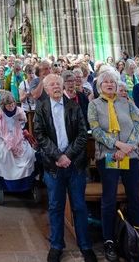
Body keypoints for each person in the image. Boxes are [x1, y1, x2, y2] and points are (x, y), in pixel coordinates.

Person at [34, 74, 96, 262]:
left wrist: (67, 156)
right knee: (55, 206)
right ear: (45, 89)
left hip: (75, 164)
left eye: (58, 83)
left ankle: (85, 245)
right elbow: (40, 134)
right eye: (51, 84)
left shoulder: (74, 106)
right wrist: (58, 156)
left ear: (62, 86)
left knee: (79, 206)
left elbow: (82, 134)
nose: (55, 86)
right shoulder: (42, 108)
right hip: (53, 166)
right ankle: (56, 245)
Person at [89, 72, 139, 261]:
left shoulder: (127, 103)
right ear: (100, 86)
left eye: (113, 81)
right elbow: (95, 130)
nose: (110, 84)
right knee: (109, 198)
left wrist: (128, 147)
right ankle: (109, 240)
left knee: (135, 196)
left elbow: (138, 125)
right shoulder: (94, 104)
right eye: (106, 82)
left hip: (130, 154)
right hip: (109, 155)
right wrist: (118, 146)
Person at [0, 90, 35, 185]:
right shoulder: (0, 112)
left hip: (18, 136)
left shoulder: (19, 110)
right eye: (8, 105)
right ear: (4, 105)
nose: (11, 106)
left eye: (12, 104)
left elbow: (24, 121)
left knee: (29, 155)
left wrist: (22, 119)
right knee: (4, 155)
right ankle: (7, 179)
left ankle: (26, 180)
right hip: (4, 137)